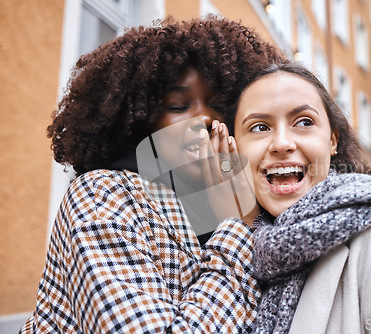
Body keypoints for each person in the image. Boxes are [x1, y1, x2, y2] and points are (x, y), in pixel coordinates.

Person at [21, 16, 283, 333]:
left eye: (219, 104)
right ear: (143, 119)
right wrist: (239, 227)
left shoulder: (251, 200)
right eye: (178, 105)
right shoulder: (102, 196)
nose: (203, 118)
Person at [212, 62, 371, 333]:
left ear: (332, 140)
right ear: (233, 148)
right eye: (259, 127)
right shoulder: (245, 246)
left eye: (304, 122)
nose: (281, 143)